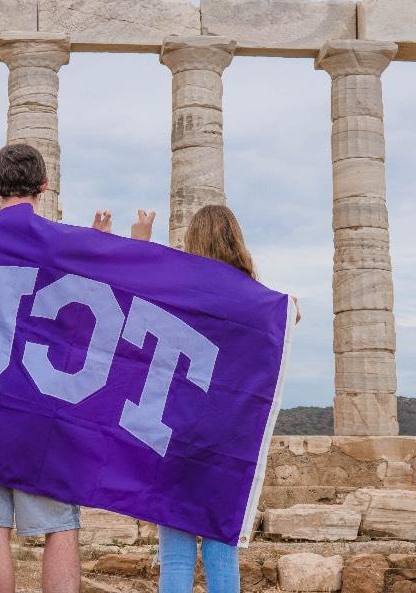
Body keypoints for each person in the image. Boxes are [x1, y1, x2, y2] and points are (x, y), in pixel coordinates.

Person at [0, 142, 155, 593]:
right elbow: (119, 288)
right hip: (46, 407)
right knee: (60, 525)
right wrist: (137, 244)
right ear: (44, 185)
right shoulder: (64, 242)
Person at [133, 204, 300, 593]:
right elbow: (290, 316)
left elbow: (135, 288)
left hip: (173, 432)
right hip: (227, 441)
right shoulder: (254, 298)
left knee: (175, 555)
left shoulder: (179, 287)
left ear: (193, 241)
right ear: (235, 241)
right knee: (221, 554)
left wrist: (140, 238)